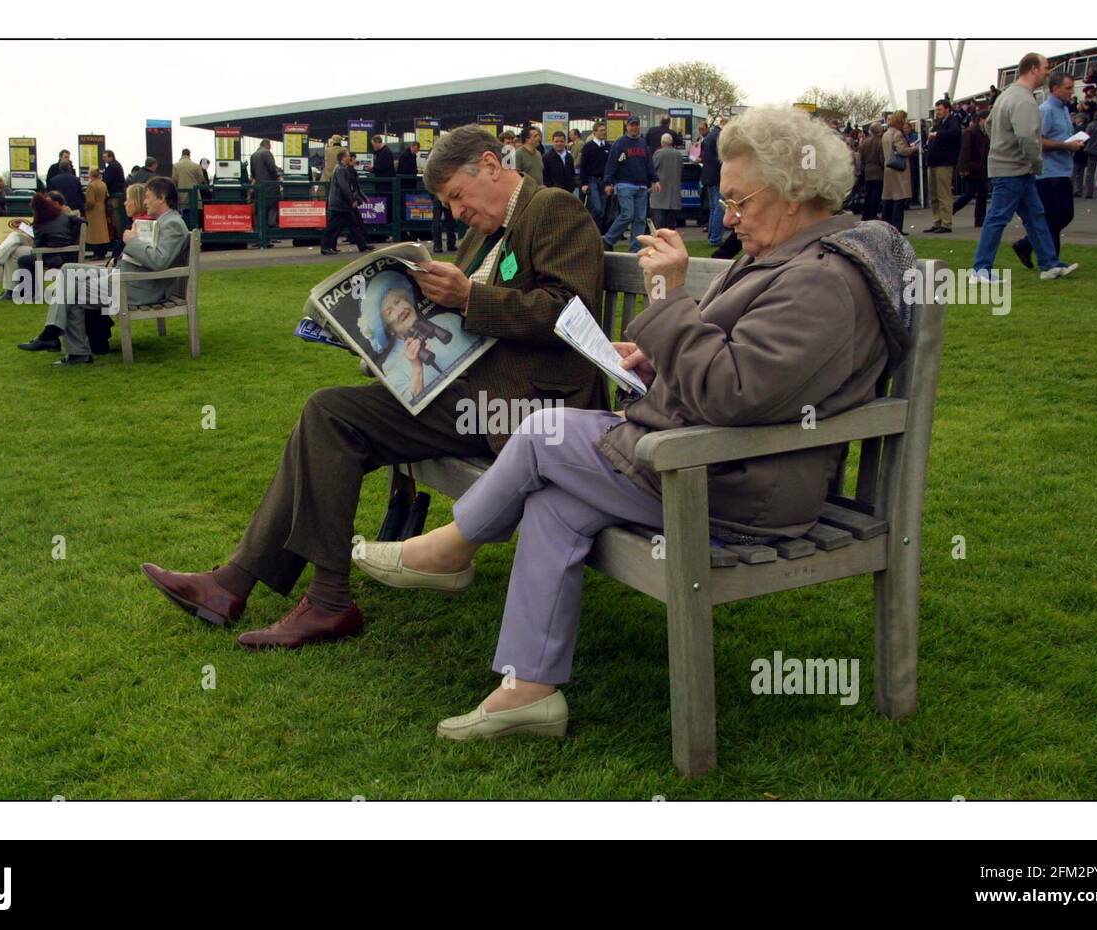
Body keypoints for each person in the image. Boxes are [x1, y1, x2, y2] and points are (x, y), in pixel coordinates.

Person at [350, 107, 907, 740]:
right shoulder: (784, 255)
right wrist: (657, 351)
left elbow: (734, 392)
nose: (728, 216)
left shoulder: (822, 281)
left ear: (795, 189)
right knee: (557, 501)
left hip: (734, 486)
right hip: (699, 455)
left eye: (739, 201)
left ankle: (450, 548)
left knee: (542, 433)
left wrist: (667, 301)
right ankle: (528, 690)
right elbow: (738, 364)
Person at [140, 124, 609, 653]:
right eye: (447, 202)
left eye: (456, 195)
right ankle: (244, 587)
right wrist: (386, 348)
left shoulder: (552, 209)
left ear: (492, 166)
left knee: (331, 417)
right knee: (330, 414)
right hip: (469, 392)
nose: (456, 212)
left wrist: (468, 300)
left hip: (530, 409)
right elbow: (457, 320)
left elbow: (573, 315)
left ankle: (308, 598)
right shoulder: (488, 229)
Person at [18, 176, 189, 364]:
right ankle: (55, 335)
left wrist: (132, 241)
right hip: (128, 277)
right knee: (68, 270)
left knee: (71, 291)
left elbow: (159, 261)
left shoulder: (172, 224)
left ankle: (69, 347)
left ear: (162, 197)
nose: (145, 201)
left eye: (148, 196)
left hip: (138, 286)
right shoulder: (164, 221)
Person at [972, 53, 1077, 283]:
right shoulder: (1025, 100)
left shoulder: (1006, 96)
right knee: (998, 218)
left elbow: (989, 125)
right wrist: (1036, 163)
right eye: (1045, 67)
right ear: (1033, 70)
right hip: (1014, 170)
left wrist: (1002, 146)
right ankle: (981, 268)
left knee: (1036, 216)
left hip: (1011, 167)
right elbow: (1028, 138)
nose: (1048, 72)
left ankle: (1050, 263)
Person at [1008, 67, 1083, 274]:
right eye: (1068, 88)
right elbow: (1038, 141)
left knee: (1062, 215)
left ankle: (1028, 246)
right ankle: (1051, 260)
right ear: (1055, 89)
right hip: (1049, 173)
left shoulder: (1064, 109)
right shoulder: (1046, 110)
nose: (1071, 91)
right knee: (1055, 217)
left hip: (1062, 170)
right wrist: (1066, 146)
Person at [357, 271, 467, 402]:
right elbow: (414, 404)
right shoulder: (391, 365)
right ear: (388, 329)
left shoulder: (447, 320)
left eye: (397, 301)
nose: (400, 311)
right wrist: (416, 368)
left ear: (407, 300)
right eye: (389, 312)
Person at [602, 116, 661, 252]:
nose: (634, 128)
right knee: (627, 214)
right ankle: (608, 239)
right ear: (627, 126)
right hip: (625, 184)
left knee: (640, 218)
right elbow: (612, 163)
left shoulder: (642, 143)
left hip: (641, 186)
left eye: (636, 125)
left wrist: (655, 180)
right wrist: (608, 182)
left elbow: (649, 164)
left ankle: (635, 248)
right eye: (632, 125)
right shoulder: (620, 143)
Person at [320, 150, 373, 255]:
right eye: (348, 156)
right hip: (340, 203)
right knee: (335, 226)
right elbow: (344, 186)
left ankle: (362, 245)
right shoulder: (340, 170)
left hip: (341, 203)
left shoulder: (341, 168)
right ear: (343, 158)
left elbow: (349, 187)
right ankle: (325, 247)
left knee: (352, 224)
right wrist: (352, 200)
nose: (350, 158)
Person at [923, 99, 962, 233]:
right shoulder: (938, 123)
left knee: (943, 194)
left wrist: (937, 134)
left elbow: (955, 133)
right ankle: (937, 221)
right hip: (933, 162)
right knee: (933, 194)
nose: (937, 112)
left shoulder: (953, 121)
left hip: (944, 163)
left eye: (939, 109)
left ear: (947, 109)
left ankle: (946, 223)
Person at [880, 110, 917, 233]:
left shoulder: (885, 134)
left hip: (888, 168)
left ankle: (887, 226)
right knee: (899, 199)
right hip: (898, 169)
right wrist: (912, 148)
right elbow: (902, 150)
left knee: (889, 199)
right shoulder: (898, 134)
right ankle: (897, 228)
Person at [952, 112, 989, 227]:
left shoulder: (983, 133)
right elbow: (965, 151)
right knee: (970, 193)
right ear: (981, 120)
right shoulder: (970, 132)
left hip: (980, 167)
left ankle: (980, 221)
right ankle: (952, 209)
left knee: (981, 194)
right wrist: (964, 168)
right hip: (973, 167)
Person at [577, 120, 610, 227]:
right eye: (601, 130)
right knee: (597, 208)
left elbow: (610, 166)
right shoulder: (588, 147)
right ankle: (587, 225)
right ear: (594, 132)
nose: (603, 132)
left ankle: (596, 231)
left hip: (604, 180)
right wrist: (584, 183)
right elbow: (583, 165)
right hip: (592, 180)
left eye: (604, 130)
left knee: (603, 209)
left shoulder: (608, 147)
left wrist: (610, 183)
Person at [649, 132, 683, 229]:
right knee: (670, 225)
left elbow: (652, 170)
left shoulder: (658, 153)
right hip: (674, 196)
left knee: (659, 225)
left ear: (662, 142)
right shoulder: (678, 154)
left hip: (660, 195)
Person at [700, 116, 725, 246]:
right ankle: (715, 238)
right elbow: (721, 159)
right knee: (719, 208)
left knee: (713, 208)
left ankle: (711, 236)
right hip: (717, 177)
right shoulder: (720, 137)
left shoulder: (709, 137)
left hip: (707, 176)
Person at [249, 139, 282, 233]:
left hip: (259, 187)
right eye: (270, 145)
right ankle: (271, 230)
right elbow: (272, 167)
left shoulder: (253, 155)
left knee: (259, 210)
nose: (271, 147)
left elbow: (252, 172)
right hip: (270, 186)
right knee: (272, 206)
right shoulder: (267, 153)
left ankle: (259, 234)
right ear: (266, 144)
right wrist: (278, 176)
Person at [82, 167, 112, 259]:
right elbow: (107, 195)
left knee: (94, 233)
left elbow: (90, 201)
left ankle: (97, 253)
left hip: (93, 211)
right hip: (102, 208)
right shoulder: (103, 184)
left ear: (91, 175)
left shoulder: (91, 185)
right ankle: (103, 252)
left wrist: (85, 208)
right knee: (102, 231)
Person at [858, 123, 884, 221]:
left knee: (868, 194)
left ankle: (866, 215)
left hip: (868, 170)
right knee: (876, 194)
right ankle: (873, 214)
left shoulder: (865, 142)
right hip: (877, 170)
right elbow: (882, 158)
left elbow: (861, 157)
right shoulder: (880, 142)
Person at [101, 150, 127, 239]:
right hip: (120, 194)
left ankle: (117, 237)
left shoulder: (111, 167)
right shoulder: (117, 165)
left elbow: (107, 181)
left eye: (105, 157)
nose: (103, 159)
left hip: (115, 195)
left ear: (111, 157)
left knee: (115, 217)